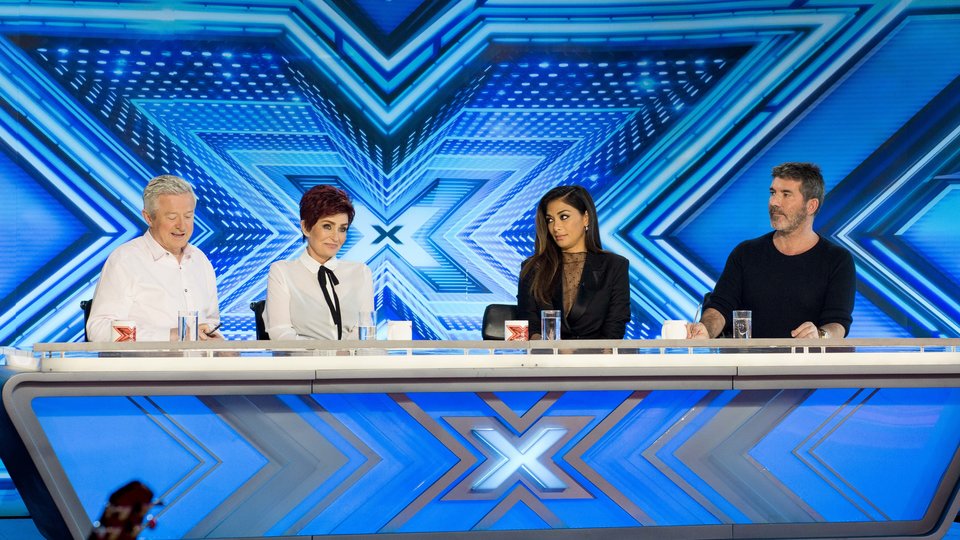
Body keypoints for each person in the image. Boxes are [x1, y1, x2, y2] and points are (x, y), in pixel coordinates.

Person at [687, 162, 856, 339]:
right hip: (748, 357)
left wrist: (820, 335)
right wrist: (706, 330)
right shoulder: (745, 253)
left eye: (786, 194)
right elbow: (720, 306)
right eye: (773, 193)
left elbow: (838, 322)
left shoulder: (837, 259)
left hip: (806, 357)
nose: (774, 202)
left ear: (811, 206)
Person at [87, 175, 222, 341]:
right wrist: (169, 336)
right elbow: (99, 329)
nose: (182, 226)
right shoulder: (125, 260)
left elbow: (212, 322)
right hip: (147, 359)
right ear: (149, 217)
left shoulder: (200, 260)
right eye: (172, 217)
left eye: (188, 216)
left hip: (198, 358)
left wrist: (216, 340)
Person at [517, 185, 631, 339]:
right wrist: (546, 348)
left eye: (564, 217)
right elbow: (529, 322)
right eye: (550, 220)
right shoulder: (533, 267)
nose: (556, 227)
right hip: (546, 354)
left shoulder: (614, 266)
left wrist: (586, 352)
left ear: (586, 218)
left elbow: (615, 326)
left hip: (596, 354)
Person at [264, 185, 374, 340]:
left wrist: (344, 352)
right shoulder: (282, 271)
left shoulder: (360, 272)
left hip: (350, 356)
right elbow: (280, 333)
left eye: (342, 229)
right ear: (306, 228)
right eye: (327, 226)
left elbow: (365, 330)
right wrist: (327, 352)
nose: (336, 238)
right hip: (301, 356)